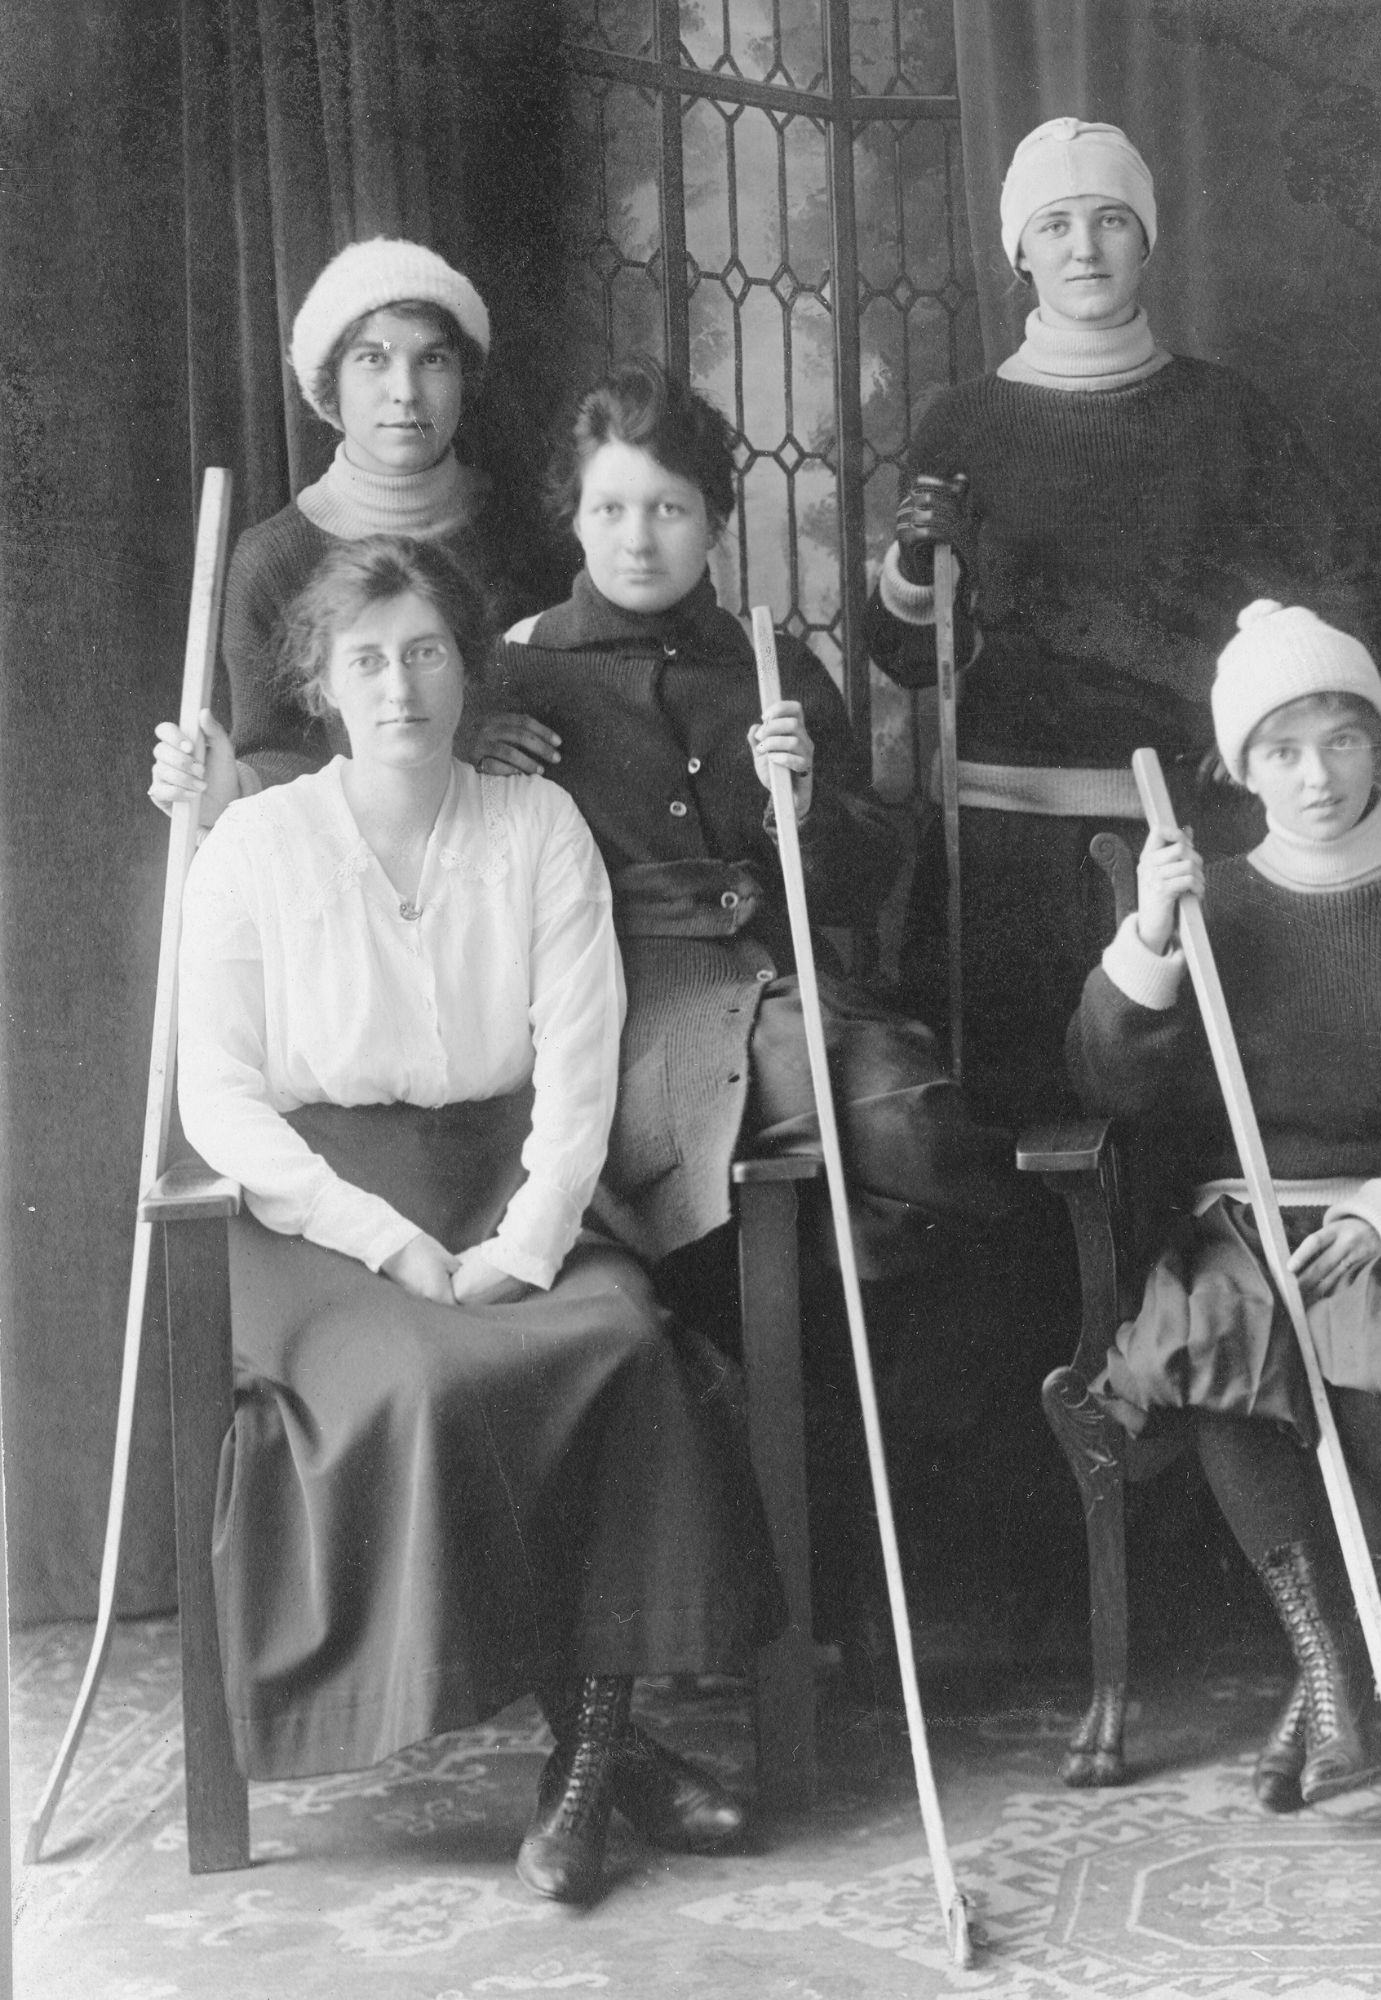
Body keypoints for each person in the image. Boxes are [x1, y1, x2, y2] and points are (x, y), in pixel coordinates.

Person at [172, 535, 782, 1904]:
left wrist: (527, 1236)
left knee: (618, 1341)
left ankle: (587, 1768)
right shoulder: (256, 844)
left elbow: (579, 1055)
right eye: (368, 660)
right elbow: (215, 1095)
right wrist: (386, 1242)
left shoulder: (534, 825)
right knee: (430, 1379)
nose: (402, 688)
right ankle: (596, 1753)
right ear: (321, 684)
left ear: (469, 668)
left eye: (429, 653)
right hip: (313, 1220)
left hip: (504, 1179)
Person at [485, 359, 1019, 1474]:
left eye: (670, 509)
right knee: (803, 1184)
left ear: (716, 520)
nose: (640, 538)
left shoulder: (773, 664)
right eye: (612, 509)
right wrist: (468, 760)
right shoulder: (518, 673)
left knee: (918, 1122)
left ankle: (870, 1447)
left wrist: (808, 810)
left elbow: (866, 881)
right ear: (573, 519)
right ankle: (786, 1433)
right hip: (618, 1014)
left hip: (781, 990)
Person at [1069, 601, 1381, 1809]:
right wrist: (1149, 935)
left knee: (1380, 1340)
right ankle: (1333, 1667)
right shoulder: (1215, 899)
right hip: (1248, 1213)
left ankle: (1332, 1690)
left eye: (1340, 740)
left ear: (1379, 748)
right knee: (1215, 1336)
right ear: (1240, 769)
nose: (1315, 773)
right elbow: (1108, 1078)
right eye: (1280, 749)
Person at [865, 116, 1356, 1125]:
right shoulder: (962, 422)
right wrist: (919, 561)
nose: (1083, 248)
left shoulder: (1228, 416)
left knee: (1181, 1130)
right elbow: (913, 660)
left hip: (1189, 840)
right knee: (1017, 1131)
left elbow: (1328, 599)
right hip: (1002, 858)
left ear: (1147, 240)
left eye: (1108, 220)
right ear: (1020, 253)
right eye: (1053, 225)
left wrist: (1259, 715)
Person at [213, 238, 559, 791]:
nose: (406, 392)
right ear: (330, 384)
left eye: (433, 359)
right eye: (373, 359)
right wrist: (449, 749)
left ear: (463, 380)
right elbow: (276, 758)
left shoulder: (533, 528)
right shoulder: (273, 561)